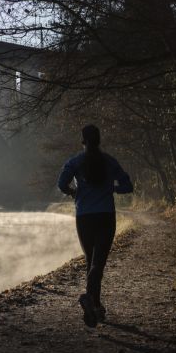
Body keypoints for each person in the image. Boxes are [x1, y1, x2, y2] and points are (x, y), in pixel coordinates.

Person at [57, 124, 133, 328]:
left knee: (91, 261)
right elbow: (128, 186)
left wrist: (74, 192)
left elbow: (61, 183)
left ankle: (94, 304)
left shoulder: (74, 162)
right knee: (98, 263)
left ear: (83, 141)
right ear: (99, 141)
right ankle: (92, 301)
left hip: (84, 217)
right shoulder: (110, 162)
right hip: (106, 216)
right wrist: (111, 188)